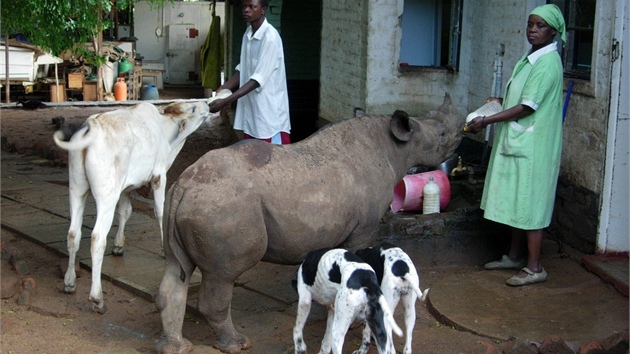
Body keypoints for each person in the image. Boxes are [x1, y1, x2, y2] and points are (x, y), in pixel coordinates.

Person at [465, 4, 565, 286]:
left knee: (531, 204)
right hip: (522, 140)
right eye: (531, 24)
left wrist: (487, 121)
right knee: (518, 200)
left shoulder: (547, 64)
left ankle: (535, 268)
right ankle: (515, 256)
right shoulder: (531, 58)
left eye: (541, 26)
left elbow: (527, 106)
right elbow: (519, 97)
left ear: (554, 32)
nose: (533, 30)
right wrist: (496, 101)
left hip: (535, 145)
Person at [208, 0, 291, 144]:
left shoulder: (270, 38)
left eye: (252, 7)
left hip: (269, 114)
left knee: (273, 160)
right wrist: (225, 87)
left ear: (263, 10)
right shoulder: (248, 34)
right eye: (244, 6)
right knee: (252, 156)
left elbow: (256, 80)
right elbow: (244, 68)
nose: (246, 10)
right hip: (253, 111)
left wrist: (227, 100)